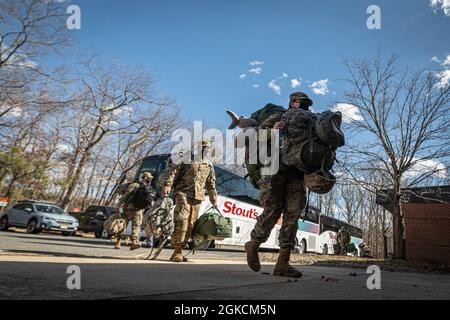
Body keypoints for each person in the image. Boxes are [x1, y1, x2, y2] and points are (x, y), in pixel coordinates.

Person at [245, 92, 313, 278]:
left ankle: (283, 263)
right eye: (302, 103)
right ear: (292, 103)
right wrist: (273, 130)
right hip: (274, 170)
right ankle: (253, 244)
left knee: (292, 216)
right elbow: (256, 136)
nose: (306, 106)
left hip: (296, 175)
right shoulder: (279, 116)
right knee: (272, 211)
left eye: (308, 104)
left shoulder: (310, 122)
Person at [161, 140, 218, 263]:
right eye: (203, 148)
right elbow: (173, 171)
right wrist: (167, 185)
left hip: (198, 197)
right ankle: (177, 250)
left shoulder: (209, 165)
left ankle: (180, 250)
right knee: (182, 220)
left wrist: (214, 199)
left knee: (191, 225)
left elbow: (211, 184)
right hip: (183, 193)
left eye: (207, 148)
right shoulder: (187, 158)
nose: (205, 150)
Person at [115, 171, 155, 250]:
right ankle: (134, 242)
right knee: (136, 226)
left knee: (123, 224)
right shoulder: (148, 188)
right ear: (146, 178)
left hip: (129, 208)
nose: (150, 179)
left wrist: (119, 204)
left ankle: (118, 242)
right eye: (149, 178)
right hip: (139, 210)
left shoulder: (134, 185)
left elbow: (126, 195)